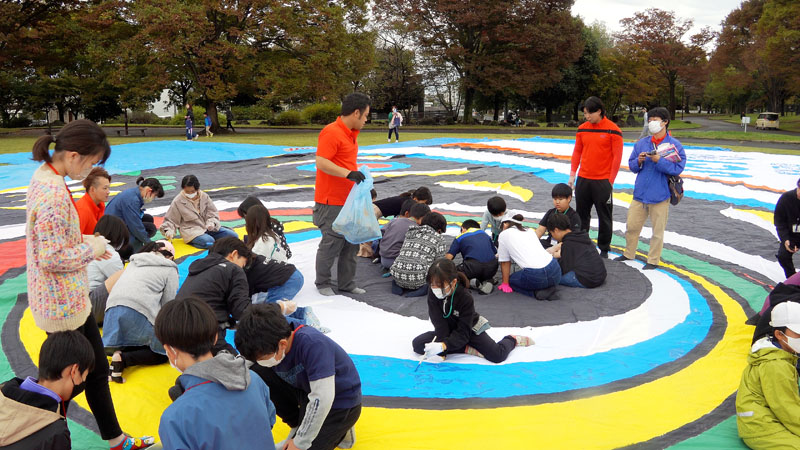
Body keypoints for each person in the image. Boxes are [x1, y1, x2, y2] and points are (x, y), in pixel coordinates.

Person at [25, 119, 153, 449]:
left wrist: (82, 240)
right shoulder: (54, 193)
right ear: (74, 154)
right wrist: (90, 248)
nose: (92, 169)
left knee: (91, 372)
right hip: (63, 304)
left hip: (65, 300)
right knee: (65, 382)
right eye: (93, 161)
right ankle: (45, 437)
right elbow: (51, 257)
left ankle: (114, 438)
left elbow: (48, 239)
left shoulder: (45, 176)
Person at [235, 303, 361, 450]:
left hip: (339, 402)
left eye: (264, 357)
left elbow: (322, 399)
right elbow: (243, 362)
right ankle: (298, 424)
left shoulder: (313, 344)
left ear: (282, 344)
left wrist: (300, 443)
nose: (262, 361)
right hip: (305, 390)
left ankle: (341, 431)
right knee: (256, 370)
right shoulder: (269, 335)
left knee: (305, 447)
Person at [156, 297, 276, 450]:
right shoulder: (253, 379)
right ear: (215, 337)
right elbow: (269, 421)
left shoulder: (175, 418)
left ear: (170, 351)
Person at [412, 259, 533, 364]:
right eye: (432, 285)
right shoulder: (433, 292)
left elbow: (464, 331)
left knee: (497, 355)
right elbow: (438, 322)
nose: (435, 288)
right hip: (447, 329)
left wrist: (443, 346)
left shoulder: (465, 298)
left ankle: (512, 339)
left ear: (453, 282)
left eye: (439, 285)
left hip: (469, 330)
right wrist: (442, 351)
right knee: (418, 345)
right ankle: (463, 347)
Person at [614, 107, 686, 270]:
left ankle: (653, 260)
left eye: (655, 120)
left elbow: (677, 169)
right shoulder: (642, 143)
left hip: (660, 195)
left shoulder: (675, 146)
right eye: (651, 119)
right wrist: (639, 161)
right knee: (631, 226)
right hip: (640, 194)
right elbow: (632, 166)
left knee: (657, 232)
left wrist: (658, 160)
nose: (652, 123)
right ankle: (629, 253)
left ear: (665, 122)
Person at [313, 92, 371, 297]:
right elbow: (321, 162)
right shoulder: (332, 132)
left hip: (349, 200)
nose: (366, 120)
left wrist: (362, 186)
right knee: (331, 243)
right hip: (331, 201)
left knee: (351, 243)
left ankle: (347, 283)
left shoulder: (350, 135)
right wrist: (348, 174)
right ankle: (322, 283)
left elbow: (348, 165)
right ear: (356, 113)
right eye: (365, 116)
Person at [0, 331, 94, 450]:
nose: (82, 383)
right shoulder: (55, 433)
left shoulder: (3, 391)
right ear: (74, 371)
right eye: (83, 377)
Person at [103, 240, 178, 383]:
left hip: (111, 313)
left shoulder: (134, 262)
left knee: (132, 339)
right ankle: (124, 358)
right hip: (138, 312)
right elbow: (168, 305)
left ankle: (116, 356)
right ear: (170, 257)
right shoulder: (169, 268)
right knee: (163, 352)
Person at [736, 301, 800, 449]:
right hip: (761, 427)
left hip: (763, 417)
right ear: (779, 334)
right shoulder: (776, 365)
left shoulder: (773, 349)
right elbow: (786, 408)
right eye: (798, 333)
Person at [175, 237, 252, 354]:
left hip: (175, 329)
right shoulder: (233, 270)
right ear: (234, 254)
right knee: (239, 367)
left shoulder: (200, 267)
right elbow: (242, 311)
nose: (242, 268)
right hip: (203, 332)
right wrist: (276, 308)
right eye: (243, 264)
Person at [568, 96, 624, 258]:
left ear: (599, 111)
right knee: (581, 214)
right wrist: (572, 175)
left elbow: (616, 158)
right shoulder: (582, 129)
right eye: (584, 113)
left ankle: (604, 248)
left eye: (589, 113)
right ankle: (582, 243)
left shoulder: (613, 130)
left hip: (602, 181)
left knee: (604, 216)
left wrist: (610, 181)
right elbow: (577, 152)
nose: (587, 117)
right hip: (584, 179)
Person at [159, 174, 238, 249]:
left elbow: (212, 213)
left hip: (208, 228)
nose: (190, 194)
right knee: (209, 242)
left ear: (197, 189)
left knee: (233, 236)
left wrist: (211, 223)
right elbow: (171, 219)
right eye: (187, 192)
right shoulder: (178, 201)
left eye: (192, 191)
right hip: (192, 231)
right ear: (183, 189)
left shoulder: (204, 196)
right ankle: (194, 241)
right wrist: (168, 231)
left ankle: (210, 237)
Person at [497, 214, 561, 299]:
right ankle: (548, 286)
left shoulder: (504, 234)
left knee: (511, 280)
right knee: (542, 278)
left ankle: (535, 293)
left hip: (536, 276)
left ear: (505, 224)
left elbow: (504, 262)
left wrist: (505, 283)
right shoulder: (529, 230)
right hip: (555, 270)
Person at [390, 212, 448, 297]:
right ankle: (423, 287)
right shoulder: (439, 238)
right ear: (439, 230)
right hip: (419, 278)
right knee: (434, 272)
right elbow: (439, 263)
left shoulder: (411, 232)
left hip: (397, 273)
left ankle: (398, 284)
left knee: (400, 274)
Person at [105, 176, 164, 254]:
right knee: (150, 228)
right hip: (113, 232)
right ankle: (127, 250)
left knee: (148, 219)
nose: (153, 198)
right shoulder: (132, 200)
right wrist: (149, 243)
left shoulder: (133, 193)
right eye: (154, 196)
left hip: (113, 224)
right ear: (149, 191)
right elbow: (135, 225)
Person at [87, 215, 129, 324]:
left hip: (77, 304)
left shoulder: (88, 246)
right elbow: (124, 283)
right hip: (91, 306)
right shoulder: (109, 253)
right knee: (124, 277)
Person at [546, 214, 606, 288]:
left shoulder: (568, 244)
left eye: (552, 233)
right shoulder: (580, 235)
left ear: (556, 230)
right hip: (600, 275)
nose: (553, 236)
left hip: (588, 280)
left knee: (548, 276)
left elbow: (560, 269)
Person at [445, 219, 497, 294]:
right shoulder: (484, 234)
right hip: (493, 267)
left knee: (455, 273)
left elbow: (449, 258)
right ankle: (488, 280)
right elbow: (494, 252)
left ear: (463, 228)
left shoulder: (460, 237)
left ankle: (470, 283)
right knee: (483, 267)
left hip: (473, 268)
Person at [377, 202, 430, 269]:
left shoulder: (394, 221)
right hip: (397, 262)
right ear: (423, 217)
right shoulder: (416, 228)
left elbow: (380, 234)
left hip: (383, 258)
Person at [535, 183, 582, 249]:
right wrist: (532, 242)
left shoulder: (574, 216)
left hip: (564, 246)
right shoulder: (550, 212)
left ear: (569, 198)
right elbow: (540, 231)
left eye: (560, 199)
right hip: (549, 243)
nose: (557, 202)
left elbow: (573, 238)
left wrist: (554, 249)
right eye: (555, 199)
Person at [774, 178, 800, 278]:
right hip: (790, 235)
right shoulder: (786, 198)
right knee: (783, 256)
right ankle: (792, 278)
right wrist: (785, 239)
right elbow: (779, 222)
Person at [76, 167, 111, 235]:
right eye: (105, 188)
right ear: (92, 189)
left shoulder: (100, 203)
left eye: (108, 188)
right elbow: (75, 240)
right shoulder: (82, 210)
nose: (108, 192)